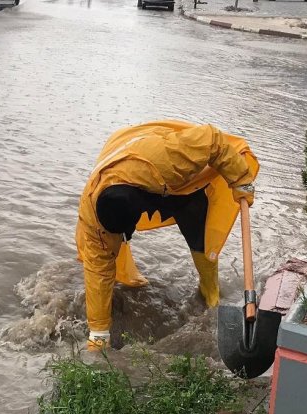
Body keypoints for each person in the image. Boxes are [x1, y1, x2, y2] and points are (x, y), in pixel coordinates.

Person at [75, 120, 259, 351]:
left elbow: (212, 140)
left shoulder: (167, 159)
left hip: (166, 171)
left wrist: (240, 179)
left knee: (198, 227)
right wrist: (98, 333)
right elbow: (97, 273)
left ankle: (210, 292)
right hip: (122, 168)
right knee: (104, 262)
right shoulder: (92, 222)